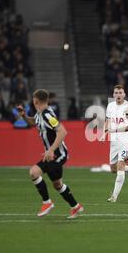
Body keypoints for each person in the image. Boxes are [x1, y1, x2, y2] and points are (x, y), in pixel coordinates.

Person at [17, 89, 84, 218]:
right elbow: (33, 122)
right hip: (53, 154)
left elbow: (62, 131)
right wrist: (24, 116)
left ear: (35, 101)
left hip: (58, 154)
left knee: (34, 172)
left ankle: (47, 203)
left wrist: (52, 149)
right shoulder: (39, 114)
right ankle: (76, 206)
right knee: (57, 184)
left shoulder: (47, 115)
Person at [100, 84, 128, 202]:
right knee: (113, 169)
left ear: (124, 94)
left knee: (120, 164)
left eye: (120, 93)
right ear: (113, 95)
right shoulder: (110, 106)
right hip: (114, 141)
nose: (118, 95)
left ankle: (114, 197)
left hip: (126, 139)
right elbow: (107, 122)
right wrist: (103, 134)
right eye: (116, 93)